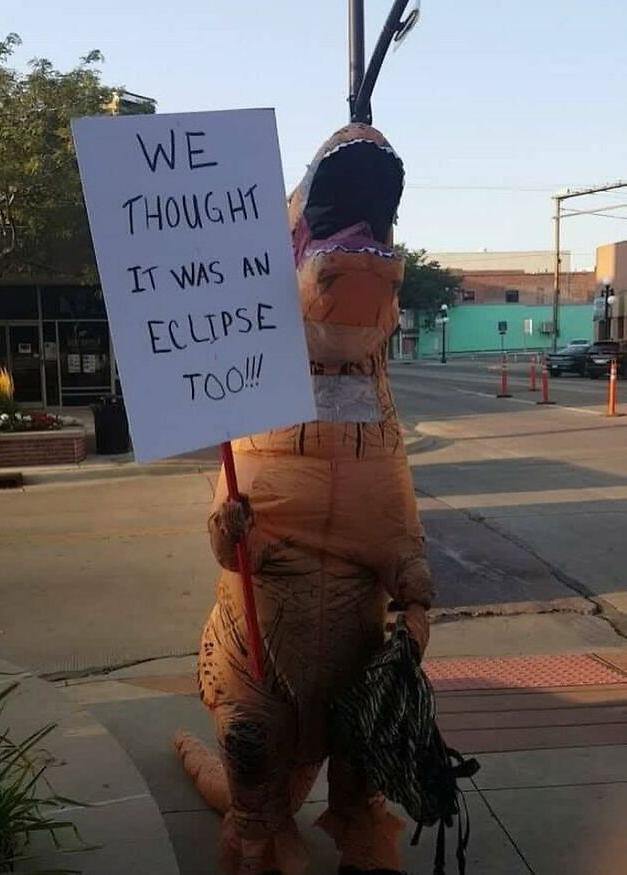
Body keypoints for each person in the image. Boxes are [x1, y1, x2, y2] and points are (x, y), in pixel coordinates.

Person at [176, 123, 434, 875]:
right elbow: (233, 548)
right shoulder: (254, 407)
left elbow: (400, 542)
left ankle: (357, 824)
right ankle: (256, 828)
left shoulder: (380, 417)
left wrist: (413, 599)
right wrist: (229, 532)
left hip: (356, 656)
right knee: (251, 751)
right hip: (259, 654)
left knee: (367, 742)